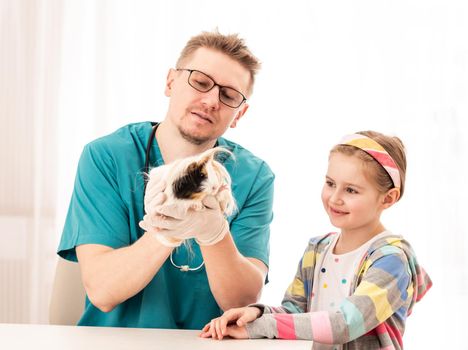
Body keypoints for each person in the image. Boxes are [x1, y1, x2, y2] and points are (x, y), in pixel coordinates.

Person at [57, 30, 274, 329]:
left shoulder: (254, 176)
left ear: (239, 113)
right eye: (200, 82)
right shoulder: (107, 156)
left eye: (229, 95)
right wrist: (166, 231)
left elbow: (241, 304)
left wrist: (214, 233)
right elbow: (102, 291)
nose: (212, 100)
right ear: (170, 82)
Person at [200, 131, 432, 349]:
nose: (335, 198)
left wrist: (262, 327)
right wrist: (257, 315)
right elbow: (294, 312)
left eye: (351, 190)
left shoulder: (392, 261)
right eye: (330, 183)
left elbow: (346, 324)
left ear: (388, 198)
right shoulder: (317, 250)